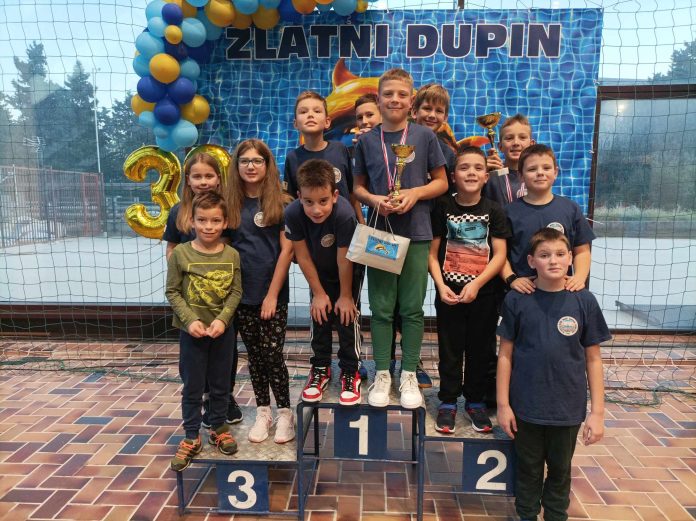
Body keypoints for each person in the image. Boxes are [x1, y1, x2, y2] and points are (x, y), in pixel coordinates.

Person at [497, 227, 610, 521]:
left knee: (560, 471)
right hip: (526, 408)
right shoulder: (516, 300)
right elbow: (505, 355)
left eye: (560, 254)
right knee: (528, 470)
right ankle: (527, 515)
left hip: (567, 410)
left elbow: (594, 359)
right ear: (531, 261)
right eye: (545, 255)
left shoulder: (584, 301)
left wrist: (597, 413)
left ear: (571, 258)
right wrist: (503, 405)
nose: (553, 261)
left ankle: (556, 515)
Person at [353, 67, 447, 409]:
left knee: (411, 308)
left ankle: (408, 374)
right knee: (380, 308)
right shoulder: (367, 141)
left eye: (402, 94)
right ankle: (382, 373)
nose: (395, 99)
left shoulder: (424, 137)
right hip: (380, 232)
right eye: (388, 94)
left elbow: (442, 182)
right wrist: (375, 200)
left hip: (418, 232)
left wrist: (415, 193)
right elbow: (357, 188)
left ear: (411, 101)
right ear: (378, 99)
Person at [428, 146, 510, 433]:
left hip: (483, 295)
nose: (471, 173)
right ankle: (448, 402)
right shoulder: (442, 207)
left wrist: (476, 284)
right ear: (453, 176)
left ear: (486, 176)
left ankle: (475, 401)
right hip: (448, 295)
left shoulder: (494, 210)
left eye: (478, 168)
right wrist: (440, 286)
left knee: (480, 350)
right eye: (464, 168)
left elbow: (500, 255)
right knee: (449, 349)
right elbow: (432, 253)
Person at [163, 152, 242, 427]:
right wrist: (182, 275)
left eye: (209, 176)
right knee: (195, 359)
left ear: (218, 179)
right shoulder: (178, 212)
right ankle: (203, 402)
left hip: (220, 298)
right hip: (192, 300)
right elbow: (172, 248)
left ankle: (224, 397)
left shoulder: (225, 210)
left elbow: (227, 252)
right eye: (197, 176)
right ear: (188, 180)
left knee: (225, 353)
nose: (203, 181)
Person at [226, 139, 295, 444]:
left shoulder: (282, 203)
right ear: (237, 166)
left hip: (272, 294)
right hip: (241, 294)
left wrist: (272, 295)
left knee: (272, 354)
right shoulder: (230, 204)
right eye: (245, 161)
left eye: (257, 160)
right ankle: (263, 411)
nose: (251, 166)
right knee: (254, 356)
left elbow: (287, 251)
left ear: (267, 165)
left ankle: (285, 413)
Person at [285, 159, 362, 406]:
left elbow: (344, 260)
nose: (316, 209)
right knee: (319, 314)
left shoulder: (345, 214)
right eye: (309, 202)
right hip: (318, 269)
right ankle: (320, 368)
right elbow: (303, 256)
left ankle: (350, 370)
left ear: (335, 195)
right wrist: (318, 293)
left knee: (346, 316)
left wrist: (346, 296)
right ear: (299, 197)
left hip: (348, 269)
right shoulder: (293, 213)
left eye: (323, 201)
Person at [501, 144, 595, 295]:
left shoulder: (571, 209)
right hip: (523, 293)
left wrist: (579, 277)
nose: (540, 173)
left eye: (546, 168)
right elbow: (500, 254)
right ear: (521, 176)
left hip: (562, 292)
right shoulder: (509, 212)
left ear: (555, 172)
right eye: (532, 169)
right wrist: (511, 279)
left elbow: (582, 251)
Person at [285, 90, 364, 222]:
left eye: (317, 111)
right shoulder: (292, 158)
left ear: (327, 122)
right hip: (310, 228)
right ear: (296, 123)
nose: (310, 115)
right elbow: (291, 200)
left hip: (344, 225)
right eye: (303, 112)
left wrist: (362, 222)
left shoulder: (340, 150)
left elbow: (352, 192)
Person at [412, 83, 457, 190]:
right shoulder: (401, 143)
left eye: (439, 111)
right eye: (427, 108)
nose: (432, 115)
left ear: (445, 118)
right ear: (414, 112)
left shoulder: (448, 153)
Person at [484, 113, 535, 207]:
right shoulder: (490, 176)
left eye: (522, 137)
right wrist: (481, 172)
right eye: (509, 138)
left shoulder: (536, 175)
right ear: (500, 147)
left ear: (531, 144)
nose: (516, 143)